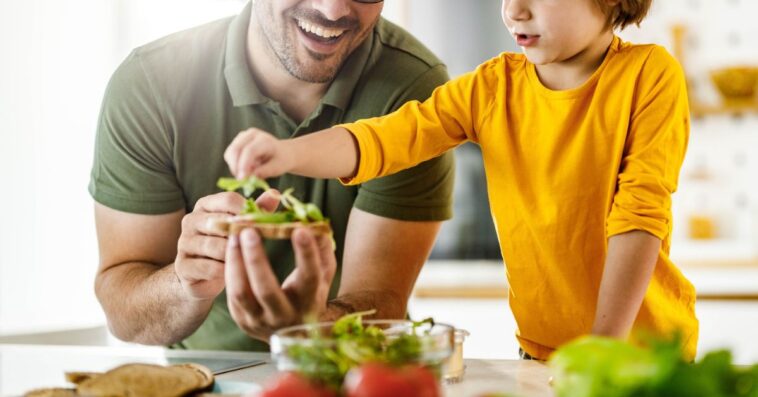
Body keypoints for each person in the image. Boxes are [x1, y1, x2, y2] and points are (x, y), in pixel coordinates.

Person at [224, 0, 700, 360]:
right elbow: (389, 138)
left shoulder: (649, 74)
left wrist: (604, 350)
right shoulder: (493, 86)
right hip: (540, 352)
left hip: (641, 353)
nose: (514, 11)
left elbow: (640, 215)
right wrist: (286, 152)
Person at [89, 0, 455, 352]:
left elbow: (382, 300)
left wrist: (316, 327)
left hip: (356, 376)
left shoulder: (416, 93)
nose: (333, 10)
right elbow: (124, 315)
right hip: (208, 377)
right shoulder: (150, 85)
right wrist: (185, 284)